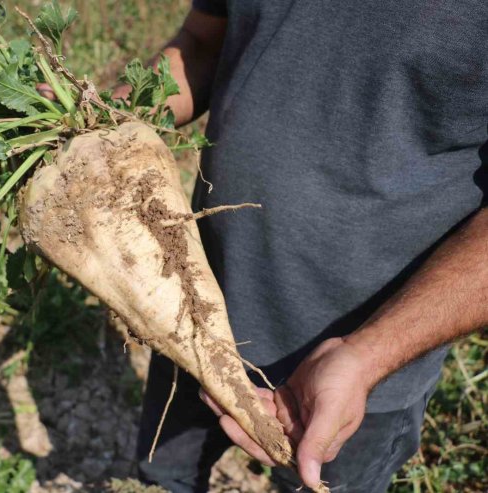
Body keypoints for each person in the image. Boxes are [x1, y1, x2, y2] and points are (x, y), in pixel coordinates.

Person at [125, 2, 488, 492]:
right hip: (191, 307)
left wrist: (368, 357)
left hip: (359, 368)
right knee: (162, 475)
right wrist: (94, 124)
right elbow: (202, 43)